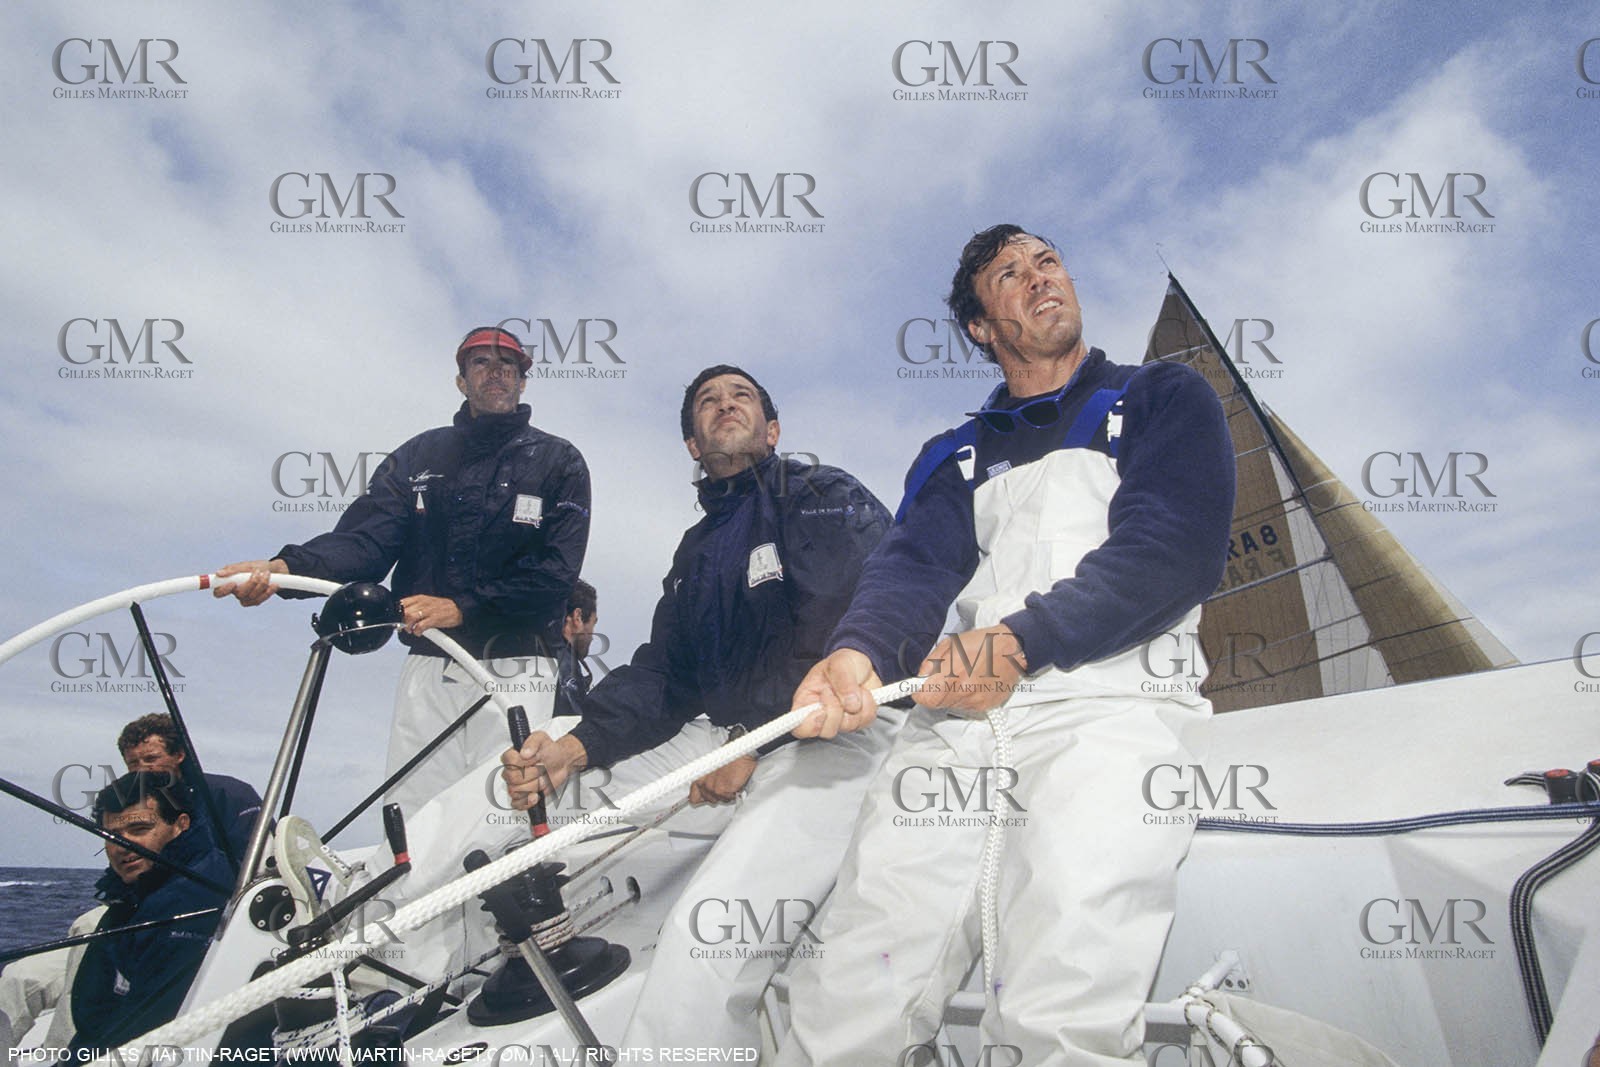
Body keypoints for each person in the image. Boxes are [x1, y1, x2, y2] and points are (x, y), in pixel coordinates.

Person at [774, 225, 1236, 1065]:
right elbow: (909, 568)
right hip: (955, 726)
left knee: (1064, 995)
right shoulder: (954, 456)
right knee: (846, 987)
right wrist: (859, 653)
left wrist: (1022, 643)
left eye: (1047, 261)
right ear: (981, 327)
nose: (1040, 278)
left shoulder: (1163, 396)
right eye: (1009, 275)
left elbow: (1173, 548)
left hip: (1112, 709)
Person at [502, 365, 897, 1056]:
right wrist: (579, 745)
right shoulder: (696, 554)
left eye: (740, 395)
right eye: (707, 402)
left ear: (772, 430)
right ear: (692, 444)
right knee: (548, 756)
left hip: (839, 735)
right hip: (733, 738)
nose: (724, 405)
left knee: (708, 933)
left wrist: (753, 740)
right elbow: (666, 674)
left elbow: (847, 622)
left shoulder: (818, 495)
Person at [214, 325, 591, 822]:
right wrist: (283, 569)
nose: (495, 372)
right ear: (461, 381)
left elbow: (555, 574)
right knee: (413, 817)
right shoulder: (417, 456)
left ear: (523, 380)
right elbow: (367, 543)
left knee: (508, 820)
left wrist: (462, 608)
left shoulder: (561, 462)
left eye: (508, 364)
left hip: (519, 669)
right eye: (480, 363)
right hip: (427, 668)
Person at [67, 773, 232, 1057]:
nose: (123, 846)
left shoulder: (190, 900)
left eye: (140, 829)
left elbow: (148, 1026)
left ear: (181, 825)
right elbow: (90, 1009)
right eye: (112, 836)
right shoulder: (140, 892)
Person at [117, 713, 262, 865]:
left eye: (151, 759)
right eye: (133, 763)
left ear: (179, 755)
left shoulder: (232, 794)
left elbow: (260, 863)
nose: (141, 769)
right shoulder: (131, 807)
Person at [552, 578, 597, 718]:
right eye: (593, 624)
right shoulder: (565, 666)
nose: (593, 636)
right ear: (577, 618)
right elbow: (571, 726)